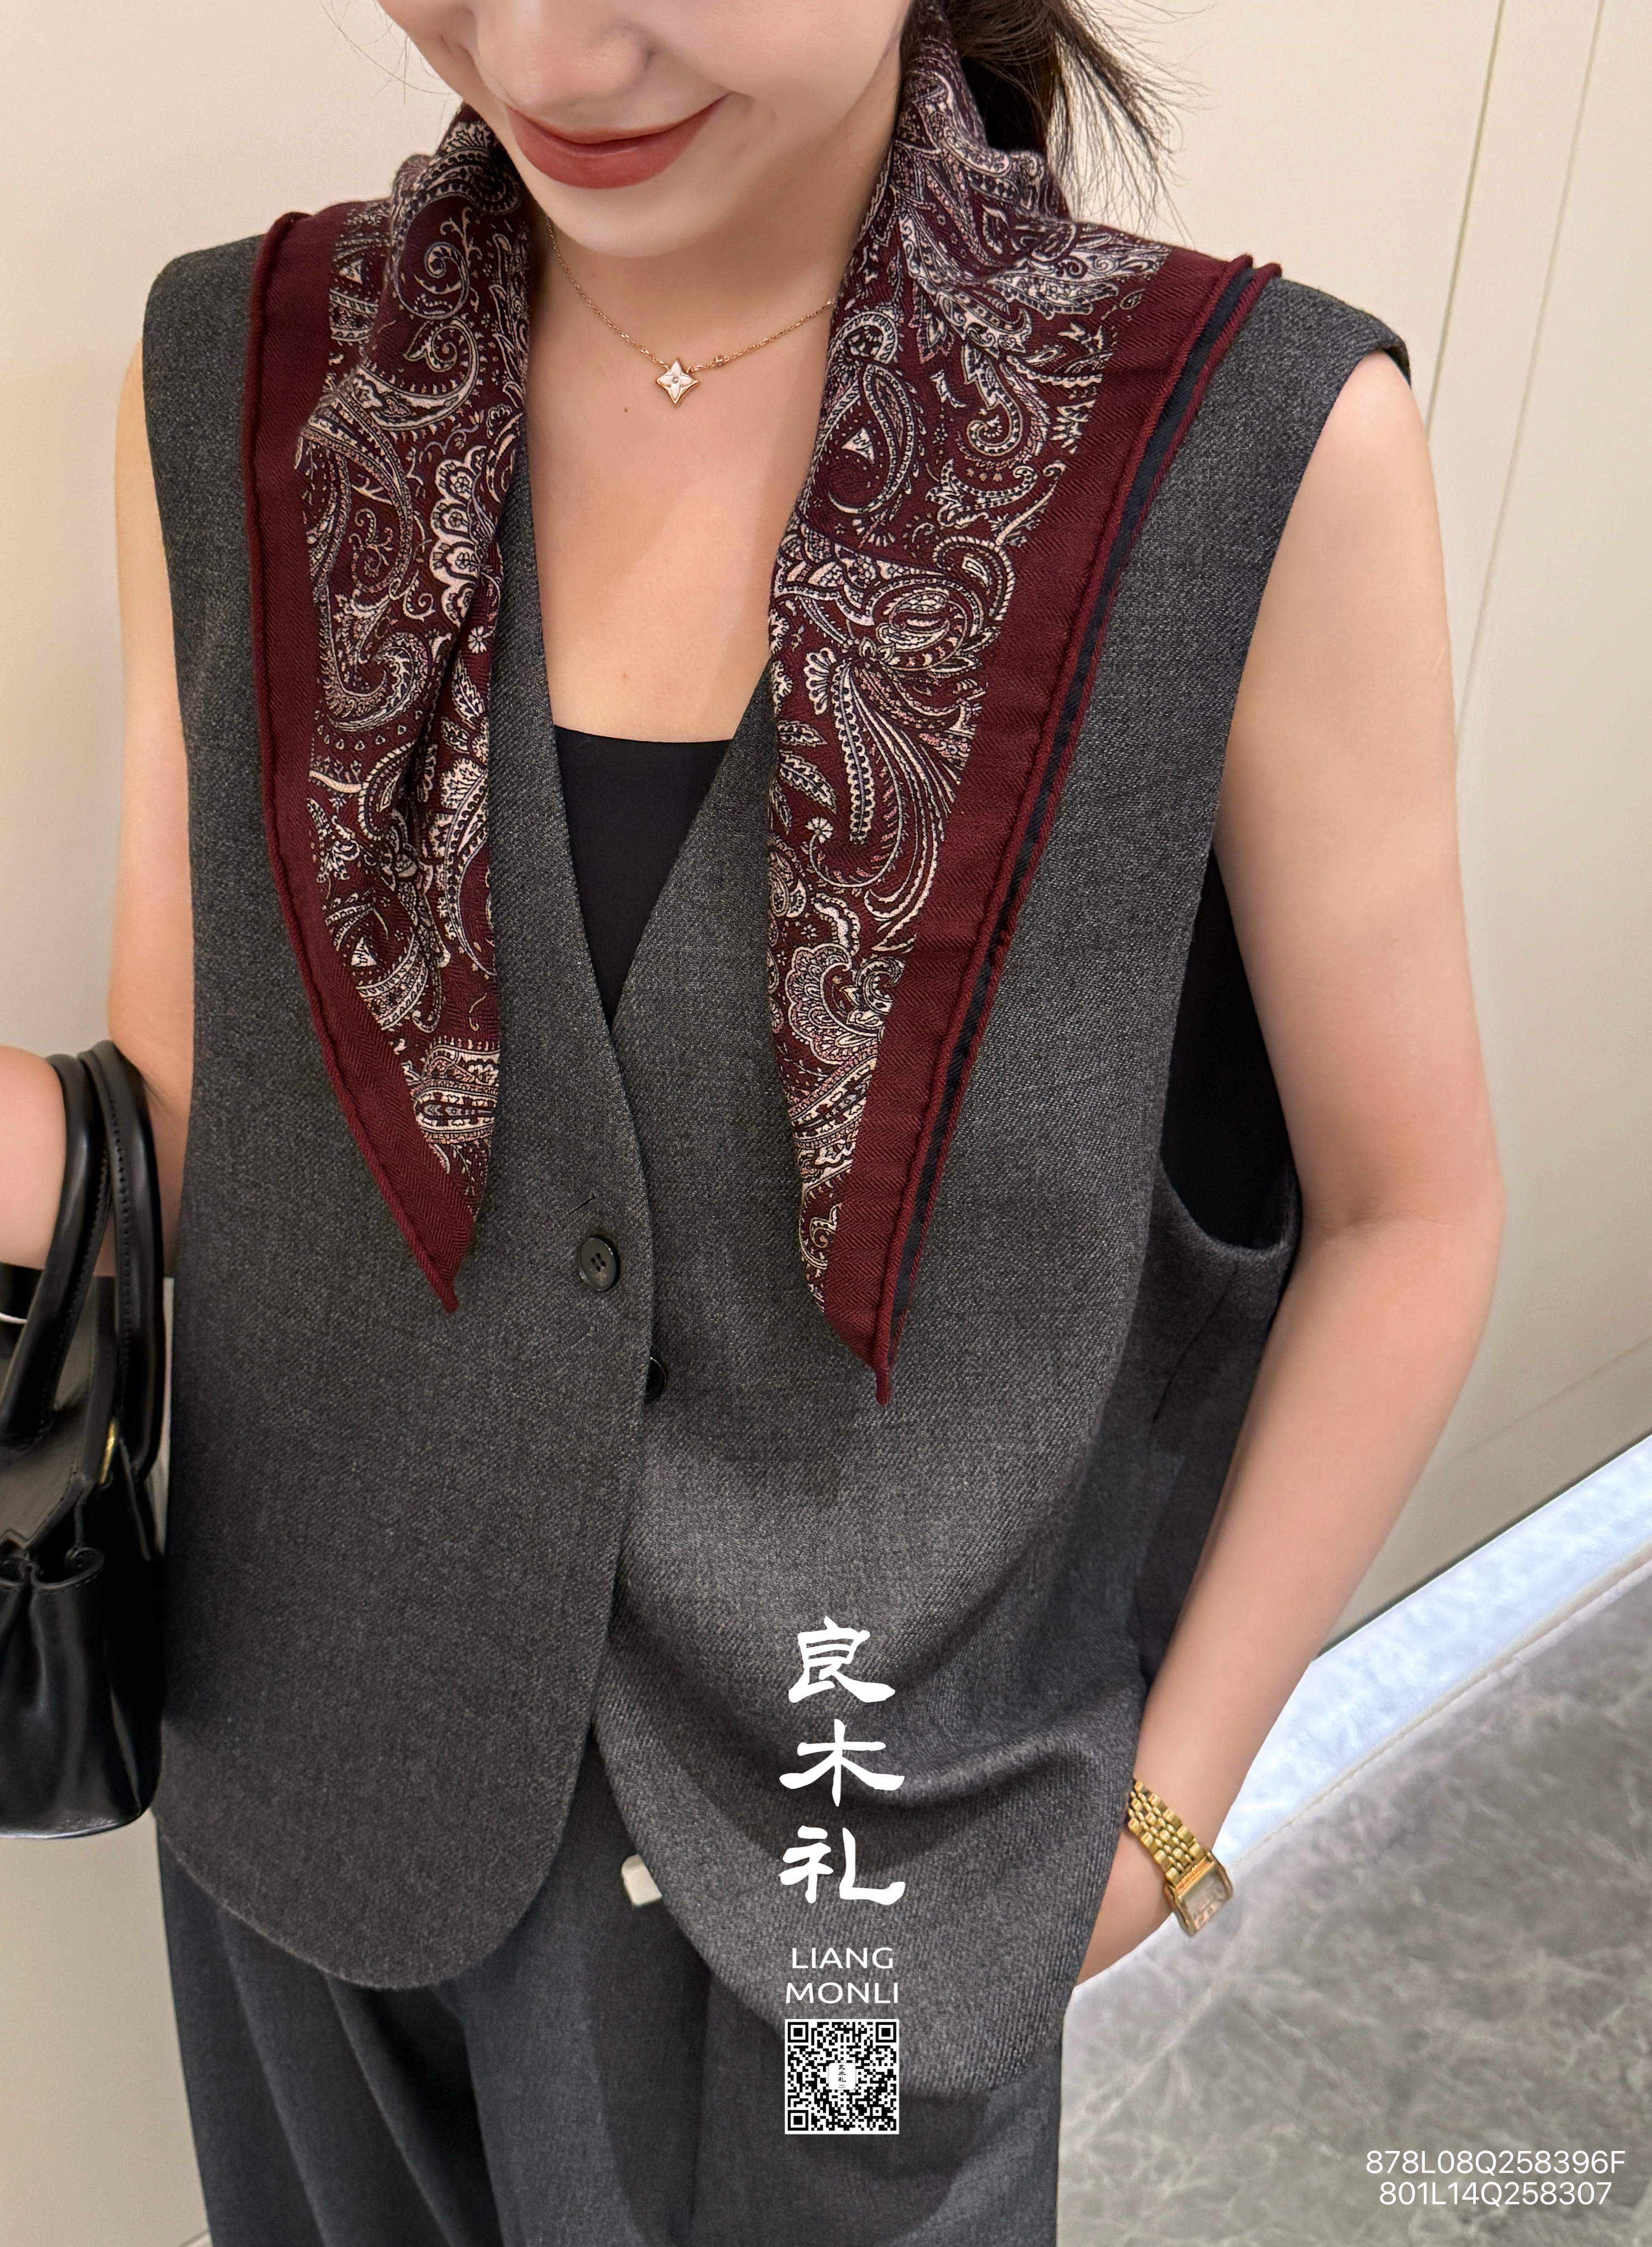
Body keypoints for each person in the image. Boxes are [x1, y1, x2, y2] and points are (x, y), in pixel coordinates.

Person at [0, 0, 1504, 2239]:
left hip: (868, 1874)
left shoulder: (1251, 448)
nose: (544, 51)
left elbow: (1410, 1210)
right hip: (321, 1815)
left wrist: (1158, 1832)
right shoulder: (232, 375)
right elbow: (217, 1133)